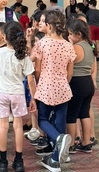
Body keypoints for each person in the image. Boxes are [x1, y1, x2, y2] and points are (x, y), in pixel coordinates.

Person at [0, 21, 37, 172]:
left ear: (6, 37)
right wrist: (33, 98)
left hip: (2, 92)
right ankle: (19, 161)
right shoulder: (23, 56)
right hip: (18, 94)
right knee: (18, 127)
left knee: (3, 127)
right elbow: (30, 79)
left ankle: (2, 161)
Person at [34, 10, 76, 172]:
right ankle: (54, 160)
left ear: (49, 26)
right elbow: (70, 71)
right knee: (60, 122)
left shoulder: (42, 43)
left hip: (46, 86)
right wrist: (65, 83)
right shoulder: (68, 44)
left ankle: (58, 139)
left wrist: (38, 83)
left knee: (42, 119)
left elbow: (37, 69)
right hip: (63, 87)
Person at [65, 19, 97, 154]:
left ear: (78, 34)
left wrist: (70, 44)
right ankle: (86, 142)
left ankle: (71, 144)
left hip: (77, 83)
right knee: (84, 113)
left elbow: (68, 63)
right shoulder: (90, 46)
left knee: (71, 115)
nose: (69, 37)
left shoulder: (76, 47)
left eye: (70, 34)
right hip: (88, 83)